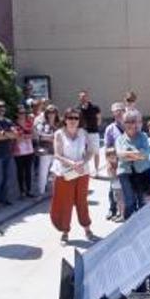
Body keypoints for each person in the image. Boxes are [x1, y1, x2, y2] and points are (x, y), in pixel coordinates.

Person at [50, 107, 93, 242]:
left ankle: (87, 228)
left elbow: (90, 151)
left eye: (76, 118)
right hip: (65, 172)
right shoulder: (59, 134)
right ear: (65, 119)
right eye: (70, 118)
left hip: (81, 171)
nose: (73, 121)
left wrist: (82, 162)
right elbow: (57, 154)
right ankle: (65, 231)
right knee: (65, 202)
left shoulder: (83, 133)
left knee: (82, 201)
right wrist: (72, 163)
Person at [116, 109, 150, 219]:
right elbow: (120, 155)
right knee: (129, 202)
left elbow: (145, 154)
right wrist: (136, 152)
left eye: (133, 121)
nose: (131, 124)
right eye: (128, 121)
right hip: (125, 173)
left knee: (143, 202)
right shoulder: (120, 139)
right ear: (123, 123)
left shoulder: (143, 136)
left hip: (142, 173)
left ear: (137, 123)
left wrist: (128, 153)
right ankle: (129, 227)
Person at [103, 102, 126, 220]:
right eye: (116, 112)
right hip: (114, 162)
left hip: (127, 163)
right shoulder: (110, 129)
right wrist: (109, 163)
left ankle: (124, 210)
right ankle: (112, 209)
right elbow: (107, 148)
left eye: (121, 111)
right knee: (114, 188)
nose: (118, 114)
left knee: (126, 187)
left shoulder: (129, 126)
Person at [12, 104, 37, 199]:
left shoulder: (28, 123)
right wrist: (26, 136)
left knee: (28, 172)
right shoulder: (13, 124)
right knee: (20, 172)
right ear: (16, 114)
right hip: (18, 152)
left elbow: (34, 135)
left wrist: (24, 136)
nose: (22, 114)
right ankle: (22, 191)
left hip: (29, 151)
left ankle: (29, 191)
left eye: (24, 113)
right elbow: (17, 139)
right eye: (20, 113)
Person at [34, 104, 59, 195]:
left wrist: (51, 137)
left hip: (57, 152)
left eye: (53, 112)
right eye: (49, 112)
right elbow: (40, 136)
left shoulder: (59, 123)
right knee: (43, 172)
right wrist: (54, 137)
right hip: (45, 151)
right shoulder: (42, 124)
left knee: (56, 172)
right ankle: (41, 192)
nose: (51, 114)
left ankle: (55, 191)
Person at [78, 90, 102, 175]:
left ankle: (96, 170)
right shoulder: (78, 108)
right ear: (79, 99)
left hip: (93, 132)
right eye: (81, 97)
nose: (83, 99)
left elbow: (99, 119)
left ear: (88, 97)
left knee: (96, 151)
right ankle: (85, 169)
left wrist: (96, 126)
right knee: (83, 151)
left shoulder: (95, 107)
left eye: (84, 97)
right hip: (82, 132)